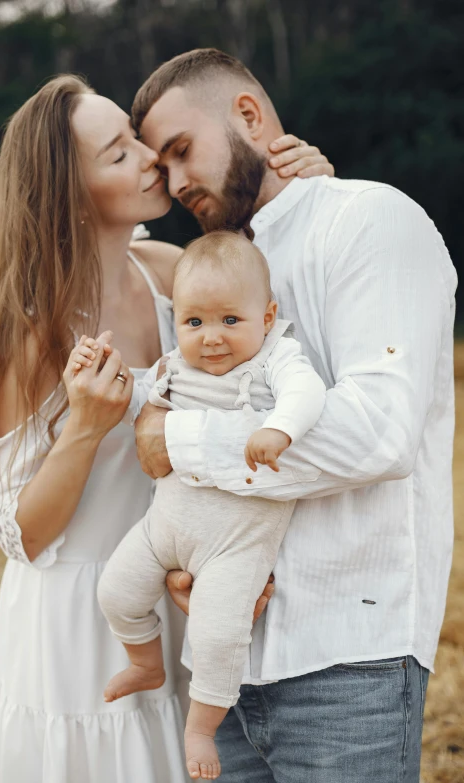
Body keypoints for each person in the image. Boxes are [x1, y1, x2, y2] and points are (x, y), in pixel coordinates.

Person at [0, 72, 333, 783]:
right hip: (79, 626)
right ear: (69, 191)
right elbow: (22, 535)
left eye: (136, 138)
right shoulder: (30, 332)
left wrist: (309, 186)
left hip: (175, 585)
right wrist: (87, 427)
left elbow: (267, 288)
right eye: (119, 152)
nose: (150, 157)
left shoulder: (169, 276)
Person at [130, 48, 458, 783]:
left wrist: (179, 441)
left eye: (183, 152)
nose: (177, 182)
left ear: (248, 114)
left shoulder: (370, 219)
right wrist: (190, 558)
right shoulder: (217, 276)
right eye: (162, 166)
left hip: (348, 660)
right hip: (225, 672)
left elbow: (379, 430)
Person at [84, 231, 325, 781]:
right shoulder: (175, 364)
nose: (211, 338)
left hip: (235, 547)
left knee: (217, 637)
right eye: (195, 322)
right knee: (115, 592)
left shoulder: (276, 357)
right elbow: (143, 404)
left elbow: (306, 394)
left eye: (229, 321)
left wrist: (279, 428)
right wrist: (106, 370)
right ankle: (145, 664)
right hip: (164, 528)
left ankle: (201, 727)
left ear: (267, 316)